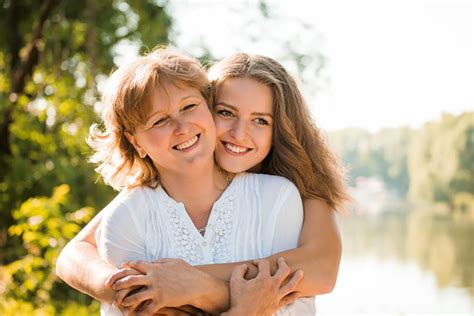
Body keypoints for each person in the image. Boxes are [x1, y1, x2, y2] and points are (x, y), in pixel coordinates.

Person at [56, 51, 349, 315]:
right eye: (226, 112)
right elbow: (73, 254)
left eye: (260, 120)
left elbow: (320, 271)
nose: (238, 133)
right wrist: (123, 287)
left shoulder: (293, 189)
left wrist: (193, 284)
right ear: (209, 108)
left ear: (281, 130)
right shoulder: (142, 205)